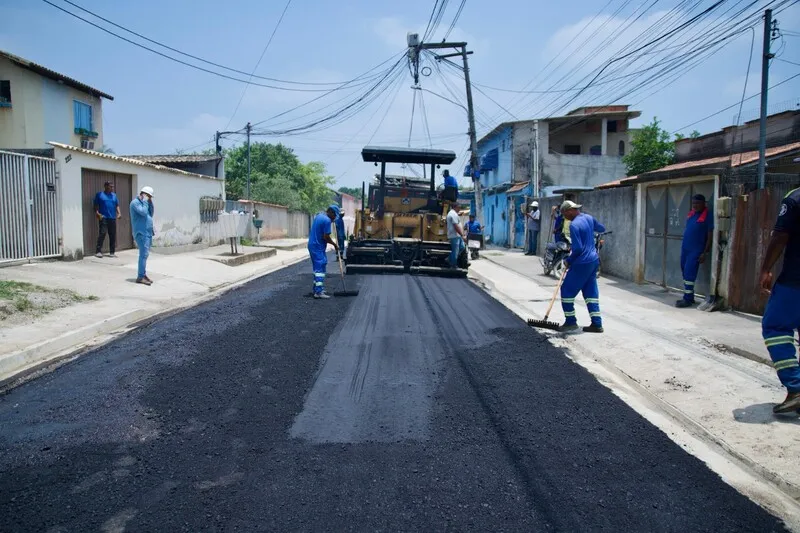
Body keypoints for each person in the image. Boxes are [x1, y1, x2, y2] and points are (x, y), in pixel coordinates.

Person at [759, 187, 800, 414]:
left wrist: (766, 268)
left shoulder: (795, 198)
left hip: (795, 281)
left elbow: (781, 235)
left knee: (775, 326)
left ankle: (795, 387)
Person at [559, 200, 606, 333]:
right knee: (590, 292)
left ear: (569, 211)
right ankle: (597, 324)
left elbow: (578, 248)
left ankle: (571, 322)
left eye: (564, 214)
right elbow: (602, 228)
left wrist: (569, 260)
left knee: (566, 291)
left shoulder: (574, 225)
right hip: (593, 260)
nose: (564, 217)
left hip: (582, 262)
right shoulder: (589, 218)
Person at [676, 194, 714, 308]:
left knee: (689, 273)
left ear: (704, 203)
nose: (695, 205)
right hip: (685, 249)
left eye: (697, 203)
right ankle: (690, 297)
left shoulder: (708, 216)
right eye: (693, 203)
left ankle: (687, 299)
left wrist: (705, 252)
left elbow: (710, 235)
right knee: (684, 271)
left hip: (696, 250)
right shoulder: (692, 215)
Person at [308, 205, 339, 299]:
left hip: (313, 245)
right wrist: (335, 245)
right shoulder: (327, 221)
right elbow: (325, 237)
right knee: (320, 269)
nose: (334, 218)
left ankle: (317, 288)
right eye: (335, 216)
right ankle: (318, 292)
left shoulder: (319, 216)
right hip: (317, 247)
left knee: (319, 267)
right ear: (331, 213)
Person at [130, 186, 155, 286]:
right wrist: (145, 201)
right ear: (144, 194)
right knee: (143, 255)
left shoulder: (145, 203)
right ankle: (140, 277)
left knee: (145, 255)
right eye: (148, 196)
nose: (149, 198)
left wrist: (150, 203)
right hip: (141, 233)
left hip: (147, 232)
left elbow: (150, 214)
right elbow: (144, 213)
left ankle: (143, 275)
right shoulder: (135, 203)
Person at [93, 181, 121, 258]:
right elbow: (95, 205)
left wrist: (119, 213)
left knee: (112, 235)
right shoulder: (100, 195)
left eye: (112, 186)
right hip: (103, 217)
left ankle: (112, 252)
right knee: (102, 233)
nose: (112, 188)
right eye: (110, 186)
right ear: (105, 186)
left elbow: (117, 205)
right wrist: (97, 213)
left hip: (112, 218)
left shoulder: (114, 196)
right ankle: (98, 251)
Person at [446, 201, 466, 268]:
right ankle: (453, 264)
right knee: (456, 251)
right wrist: (462, 235)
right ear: (455, 207)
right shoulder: (453, 214)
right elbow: (456, 226)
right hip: (454, 235)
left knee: (462, 247)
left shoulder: (454, 213)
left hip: (457, 235)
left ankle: (449, 258)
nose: (460, 209)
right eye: (459, 207)